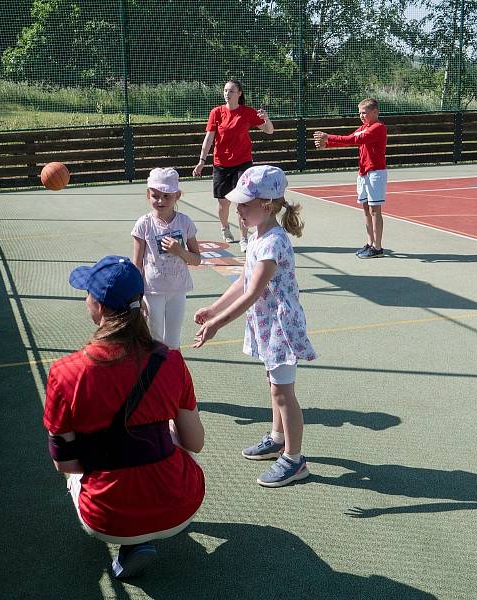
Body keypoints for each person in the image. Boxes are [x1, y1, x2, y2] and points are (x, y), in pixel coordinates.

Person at [44, 255, 205, 578]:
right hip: (182, 506)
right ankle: (153, 516)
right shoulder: (170, 361)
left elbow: (66, 464)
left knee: (83, 467)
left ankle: (131, 542)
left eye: (88, 293)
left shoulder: (65, 373)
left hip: (105, 519)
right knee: (168, 437)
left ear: (99, 307)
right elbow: (195, 443)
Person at [193, 165, 317, 488]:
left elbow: (252, 294)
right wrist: (214, 308)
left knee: (283, 392)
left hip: (281, 326)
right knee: (273, 382)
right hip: (267, 325)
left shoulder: (273, 242)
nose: (238, 209)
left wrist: (218, 323)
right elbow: (243, 281)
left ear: (266, 204)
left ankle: (294, 459)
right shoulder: (256, 236)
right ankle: (278, 437)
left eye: (244, 204)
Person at [192, 79, 274, 252]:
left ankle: (244, 238)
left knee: (242, 202)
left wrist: (266, 119)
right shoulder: (216, 112)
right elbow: (209, 139)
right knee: (223, 203)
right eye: (225, 91)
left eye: (231, 91)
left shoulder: (247, 112)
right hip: (221, 163)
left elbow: (269, 130)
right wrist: (201, 161)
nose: (227, 94)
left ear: (239, 93)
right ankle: (225, 227)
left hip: (243, 163)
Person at [132, 168, 202, 350]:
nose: (161, 201)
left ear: (177, 195)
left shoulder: (185, 222)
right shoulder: (144, 224)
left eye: (167, 196)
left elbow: (197, 259)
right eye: (155, 196)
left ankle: (173, 374)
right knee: (154, 338)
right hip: (152, 291)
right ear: (148, 195)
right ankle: (155, 375)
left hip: (177, 290)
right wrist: (137, 296)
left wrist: (180, 251)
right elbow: (137, 264)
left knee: (173, 340)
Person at [313, 98, 388, 258]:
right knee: (366, 210)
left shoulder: (378, 128)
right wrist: (328, 144)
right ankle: (370, 243)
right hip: (363, 173)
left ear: (375, 112)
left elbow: (355, 139)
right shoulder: (363, 127)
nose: (361, 116)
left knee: (375, 211)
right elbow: (350, 140)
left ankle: (378, 247)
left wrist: (328, 136)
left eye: (365, 113)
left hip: (376, 173)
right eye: (360, 113)